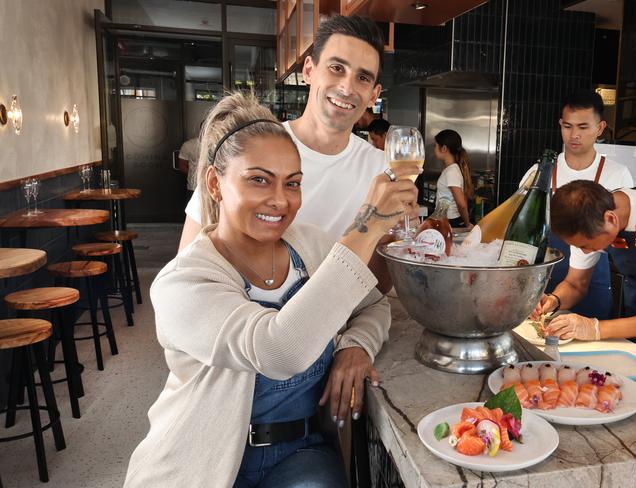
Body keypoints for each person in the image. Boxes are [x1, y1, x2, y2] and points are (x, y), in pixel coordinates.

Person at [123, 93, 420, 487]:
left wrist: (356, 346)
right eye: (258, 179)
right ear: (215, 183)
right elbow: (277, 350)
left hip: (301, 453)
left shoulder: (309, 246)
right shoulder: (183, 283)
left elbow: (373, 304)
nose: (280, 200)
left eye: (292, 183)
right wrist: (368, 224)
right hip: (200, 463)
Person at [180, 15, 410, 295]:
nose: (347, 87)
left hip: (340, 324)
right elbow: (187, 269)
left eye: (362, 77)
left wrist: (391, 235)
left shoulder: (383, 169)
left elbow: (375, 290)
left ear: (374, 94)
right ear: (310, 70)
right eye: (337, 68)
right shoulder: (253, 146)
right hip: (246, 319)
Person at [520, 90, 633, 320]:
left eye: (583, 127)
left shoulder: (617, 175)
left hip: (594, 284)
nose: (574, 135)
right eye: (567, 126)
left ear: (600, 128)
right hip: (542, 284)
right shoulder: (539, 174)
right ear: (560, 125)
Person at [538, 180, 636, 347]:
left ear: (611, 219)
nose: (584, 252)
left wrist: (595, 328)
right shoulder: (587, 218)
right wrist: (554, 300)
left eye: (585, 246)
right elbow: (575, 284)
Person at [433, 129, 474, 228]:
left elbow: (461, 204)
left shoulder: (452, 171)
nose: (434, 149)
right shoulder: (450, 169)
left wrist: (467, 224)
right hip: (447, 220)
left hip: (452, 222)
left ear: (444, 148)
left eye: (435, 146)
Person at [178, 134, 200, 200]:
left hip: (215, 188)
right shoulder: (189, 145)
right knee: (193, 210)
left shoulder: (217, 144)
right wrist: (194, 175)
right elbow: (182, 166)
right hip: (194, 187)